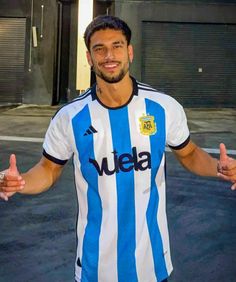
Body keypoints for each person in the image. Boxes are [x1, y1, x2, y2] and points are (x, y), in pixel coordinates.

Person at [0, 15, 235, 282]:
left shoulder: (163, 107)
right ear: (89, 58)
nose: (109, 55)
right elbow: (48, 169)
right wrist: (20, 182)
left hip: (152, 263)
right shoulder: (70, 117)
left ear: (130, 52)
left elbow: (189, 153)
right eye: (99, 49)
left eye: (117, 46)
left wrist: (218, 167)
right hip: (94, 265)